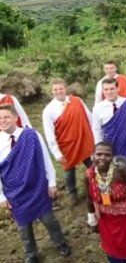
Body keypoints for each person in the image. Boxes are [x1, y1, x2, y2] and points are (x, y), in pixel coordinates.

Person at [0, 105, 71, 263]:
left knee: (49, 220)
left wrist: (51, 182)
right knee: (24, 227)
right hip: (14, 192)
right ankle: (31, 253)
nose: (2, 121)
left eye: (5, 117)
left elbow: (45, 158)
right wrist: (1, 196)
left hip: (37, 187)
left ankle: (61, 243)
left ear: (15, 117)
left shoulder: (31, 135)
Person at [84, 143, 126, 262]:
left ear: (113, 157)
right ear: (92, 156)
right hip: (107, 221)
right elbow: (89, 199)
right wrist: (92, 221)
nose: (103, 158)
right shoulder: (89, 176)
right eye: (99, 154)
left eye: (107, 155)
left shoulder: (122, 170)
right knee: (114, 251)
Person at [41, 78, 94, 203]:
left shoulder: (77, 100)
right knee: (69, 171)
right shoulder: (48, 110)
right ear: (51, 91)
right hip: (66, 144)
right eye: (55, 89)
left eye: (61, 88)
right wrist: (57, 153)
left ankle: (97, 188)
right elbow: (49, 134)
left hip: (84, 140)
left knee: (93, 166)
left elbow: (89, 118)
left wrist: (95, 137)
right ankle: (72, 194)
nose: (58, 91)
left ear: (65, 89)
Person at [91, 77, 126, 165]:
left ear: (118, 88)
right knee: (118, 170)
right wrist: (99, 148)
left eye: (112, 89)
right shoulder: (97, 108)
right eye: (106, 89)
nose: (109, 92)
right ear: (102, 91)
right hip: (113, 145)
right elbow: (97, 130)